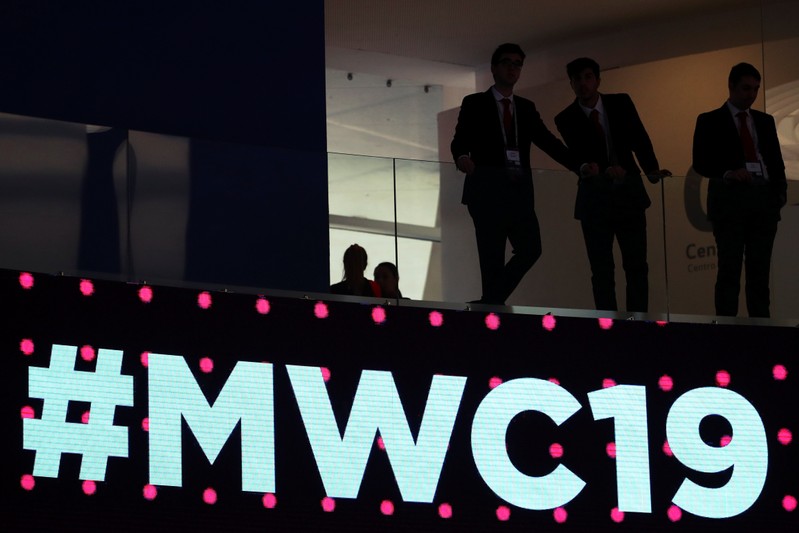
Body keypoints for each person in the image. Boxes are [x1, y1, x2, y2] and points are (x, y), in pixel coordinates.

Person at [451, 43, 596, 305]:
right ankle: (491, 307)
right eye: (507, 62)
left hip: (518, 192)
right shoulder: (475, 103)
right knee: (492, 257)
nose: (512, 68)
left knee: (531, 249)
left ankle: (489, 303)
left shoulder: (526, 108)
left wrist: (580, 166)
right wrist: (462, 157)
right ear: (494, 68)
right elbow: (460, 139)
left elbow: (548, 142)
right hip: (486, 192)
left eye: (517, 64)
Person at [554, 57, 671, 312]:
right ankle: (607, 325)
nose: (583, 84)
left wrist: (651, 169)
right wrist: (606, 170)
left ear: (597, 79)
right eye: (578, 79)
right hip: (596, 199)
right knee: (602, 270)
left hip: (628, 194)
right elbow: (583, 151)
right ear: (571, 83)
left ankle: (637, 322)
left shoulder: (620, 102)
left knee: (637, 266)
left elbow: (640, 138)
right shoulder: (566, 118)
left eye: (588, 77)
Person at [692, 62, 787, 318]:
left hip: (763, 203)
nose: (752, 94)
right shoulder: (709, 120)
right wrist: (728, 173)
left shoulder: (764, 121)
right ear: (731, 86)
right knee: (729, 273)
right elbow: (700, 161)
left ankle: (760, 333)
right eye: (746, 88)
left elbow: (776, 163)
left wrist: (777, 198)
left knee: (759, 275)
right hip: (730, 204)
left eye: (756, 89)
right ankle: (727, 333)